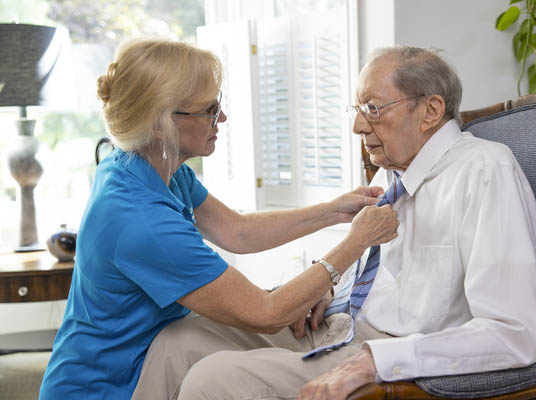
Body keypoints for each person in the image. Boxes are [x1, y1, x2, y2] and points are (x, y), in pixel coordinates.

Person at [132, 45, 536, 400]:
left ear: (431, 111)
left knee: (213, 378)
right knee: (178, 342)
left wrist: (375, 362)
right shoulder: (396, 172)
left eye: (372, 108)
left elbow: (514, 333)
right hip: (339, 325)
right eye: (358, 109)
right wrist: (332, 289)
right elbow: (393, 278)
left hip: (392, 354)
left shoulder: (484, 171)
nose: (357, 126)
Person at [38, 38, 399, 400]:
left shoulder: (151, 166)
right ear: (160, 123)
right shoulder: (139, 220)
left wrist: (333, 210)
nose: (221, 118)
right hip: (106, 386)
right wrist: (355, 243)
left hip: (150, 361)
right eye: (209, 109)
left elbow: (237, 231)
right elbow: (266, 312)